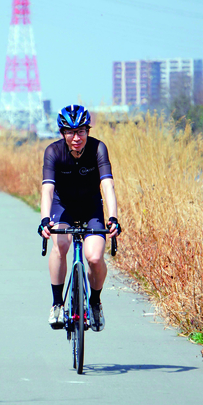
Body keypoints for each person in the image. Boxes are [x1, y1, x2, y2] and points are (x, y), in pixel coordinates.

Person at [37, 104, 120, 331]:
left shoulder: (98, 149)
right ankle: (57, 304)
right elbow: (47, 190)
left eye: (81, 131)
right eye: (71, 132)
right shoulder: (53, 152)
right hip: (62, 207)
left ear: (88, 131)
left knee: (94, 257)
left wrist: (112, 218)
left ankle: (94, 302)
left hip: (91, 206)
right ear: (63, 133)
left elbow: (107, 185)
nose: (76, 137)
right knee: (61, 244)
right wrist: (45, 220)